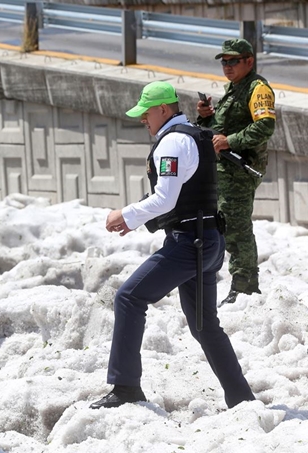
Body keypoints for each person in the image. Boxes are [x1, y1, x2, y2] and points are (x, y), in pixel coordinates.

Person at [91, 81, 255, 410]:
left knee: (128, 297)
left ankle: (125, 387)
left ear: (163, 109)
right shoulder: (193, 135)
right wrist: (135, 219)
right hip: (207, 242)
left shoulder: (173, 142)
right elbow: (179, 197)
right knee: (205, 325)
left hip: (189, 244)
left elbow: (165, 199)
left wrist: (124, 214)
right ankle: (242, 399)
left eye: (146, 113)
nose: (143, 120)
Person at [196, 38, 276, 305]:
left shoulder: (257, 89)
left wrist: (231, 141)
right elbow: (221, 127)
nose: (227, 66)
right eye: (224, 62)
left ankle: (246, 287)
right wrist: (206, 116)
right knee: (228, 226)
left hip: (241, 170)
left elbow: (265, 126)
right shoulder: (234, 88)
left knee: (237, 228)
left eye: (233, 61)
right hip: (226, 170)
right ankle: (242, 285)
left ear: (249, 61)